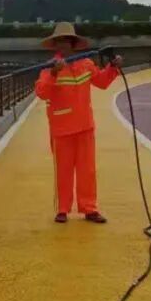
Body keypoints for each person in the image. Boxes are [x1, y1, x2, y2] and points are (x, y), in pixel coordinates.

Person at [33, 22, 123, 224]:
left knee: (87, 171)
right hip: (61, 129)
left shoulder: (86, 64)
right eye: (59, 41)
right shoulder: (48, 68)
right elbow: (41, 92)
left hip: (85, 127)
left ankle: (89, 209)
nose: (63, 44)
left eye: (67, 40)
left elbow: (101, 82)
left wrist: (113, 67)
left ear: (73, 43)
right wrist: (54, 73)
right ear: (55, 45)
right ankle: (62, 209)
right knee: (63, 172)